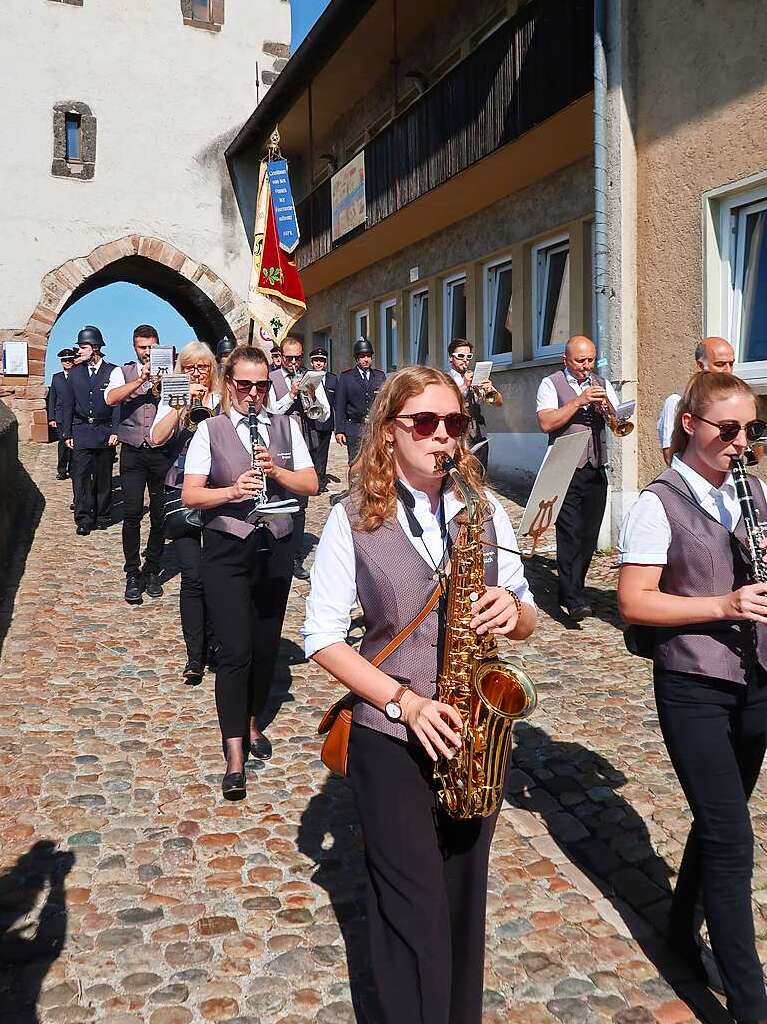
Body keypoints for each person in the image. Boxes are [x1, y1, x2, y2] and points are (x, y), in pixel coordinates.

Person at [304, 365, 536, 1024]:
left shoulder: (483, 511)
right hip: (391, 740)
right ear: (390, 431)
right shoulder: (352, 519)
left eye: (453, 423)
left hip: (475, 738)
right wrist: (401, 703)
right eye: (424, 423)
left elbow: (526, 613)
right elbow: (321, 638)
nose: (442, 436)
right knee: (412, 917)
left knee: (462, 907)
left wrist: (507, 608)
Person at [618, 371, 767, 1024]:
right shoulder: (658, 502)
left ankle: (679, 930)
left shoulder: (752, 491)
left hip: (755, 680)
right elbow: (632, 602)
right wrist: (722, 603)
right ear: (689, 425)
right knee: (733, 843)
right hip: (692, 686)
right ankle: (750, 1003)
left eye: (751, 431)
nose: (741, 443)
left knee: (722, 816)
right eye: (727, 430)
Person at [182, 345, 318, 798]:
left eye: (262, 385)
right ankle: (234, 749)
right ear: (229, 384)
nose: (254, 394)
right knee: (236, 652)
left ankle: (254, 719)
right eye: (245, 386)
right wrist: (232, 491)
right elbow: (191, 496)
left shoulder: (286, 426)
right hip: (226, 551)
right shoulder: (211, 431)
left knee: (264, 649)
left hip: (274, 548)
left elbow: (311, 484)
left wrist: (276, 472)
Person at [536, 335, 620, 621]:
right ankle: (574, 599)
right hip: (565, 468)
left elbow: (618, 422)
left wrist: (608, 410)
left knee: (588, 535)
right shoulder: (551, 383)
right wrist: (578, 401)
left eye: (591, 360)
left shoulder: (602, 384)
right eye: (580, 361)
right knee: (569, 532)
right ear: (566, 360)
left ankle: (571, 586)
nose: (587, 366)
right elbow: (546, 422)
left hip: (596, 467)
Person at [151, 341, 220, 685]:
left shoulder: (223, 399)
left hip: (221, 493)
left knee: (220, 575)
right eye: (190, 367)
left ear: (212, 370)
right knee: (192, 576)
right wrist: (180, 408)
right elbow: (155, 438)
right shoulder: (171, 396)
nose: (197, 373)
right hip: (182, 495)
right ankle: (195, 656)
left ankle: (218, 645)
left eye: (202, 367)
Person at [105, 325, 170, 604]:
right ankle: (132, 572)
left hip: (160, 452)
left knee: (160, 515)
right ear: (135, 348)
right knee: (132, 514)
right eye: (143, 347)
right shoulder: (123, 372)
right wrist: (141, 380)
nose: (147, 352)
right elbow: (110, 398)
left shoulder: (170, 370)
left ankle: (152, 568)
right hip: (132, 451)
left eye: (152, 347)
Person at [268, 335, 330, 580]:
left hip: (305, 443)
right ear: (281, 357)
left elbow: (324, 416)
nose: (294, 362)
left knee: (300, 506)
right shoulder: (271, 379)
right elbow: (271, 411)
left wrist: (313, 397)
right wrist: (292, 394)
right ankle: (276, 551)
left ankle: (294, 557)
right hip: (279, 445)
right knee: (277, 499)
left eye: (297, 357)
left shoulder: (311, 377)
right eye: (289, 357)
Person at [59, 327, 119, 536]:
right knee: (81, 477)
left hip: (104, 430)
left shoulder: (113, 371)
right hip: (81, 430)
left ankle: (102, 515)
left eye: (83, 347)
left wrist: (116, 430)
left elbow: (118, 404)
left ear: (95, 348)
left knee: (104, 476)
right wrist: (66, 433)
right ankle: (84, 518)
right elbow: (68, 403)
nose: (79, 350)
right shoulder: (74, 373)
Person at [657, 337, 735, 466]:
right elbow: (670, 456)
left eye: (731, 364)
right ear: (700, 366)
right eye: (720, 364)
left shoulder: (733, 401)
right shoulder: (677, 402)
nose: (728, 371)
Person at [446, 337, 502, 472]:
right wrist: (465, 385)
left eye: (468, 356)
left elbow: (498, 403)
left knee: (480, 475)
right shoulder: (445, 379)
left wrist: (490, 390)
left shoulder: (475, 377)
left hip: (479, 434)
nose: (465, 360)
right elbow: (447, 401)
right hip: (458, 435)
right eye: (460, 356)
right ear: (450, 358)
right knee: (461, 475)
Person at [334, 337, 386, 467]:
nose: (366, 359)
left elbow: (385, 402)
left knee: (375, 462)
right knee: (356, 462)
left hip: (374, 427)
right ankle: (355, 487)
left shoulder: (379, 376)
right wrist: (340, 430)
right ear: (357, 358)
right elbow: (340, 405)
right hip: (354, 427)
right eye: (362, 356)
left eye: (368, 356)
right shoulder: (347, 377)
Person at [307, 346, 337, 489]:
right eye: (316, 361)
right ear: (311, 363)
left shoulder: (332, 379)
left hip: (327, 422)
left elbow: (337, 403)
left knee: (323, 453)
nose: (318, 363)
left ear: (325, 363)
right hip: (311, 422)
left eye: (321, 361)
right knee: (312, 451)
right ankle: (312, 480)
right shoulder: (307, 378)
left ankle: (321, 480)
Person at [47, 348, 77, 480]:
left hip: (76, 415)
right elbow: (52, 398)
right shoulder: (56, 377)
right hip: (60, 416)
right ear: (61, 362)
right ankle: (62, 469)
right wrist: (51, 417)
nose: (68, 362)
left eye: (70, 359)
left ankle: (74, 469)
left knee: (75, 444)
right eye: (65, 360)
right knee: (63, 443)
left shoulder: (79, 375)